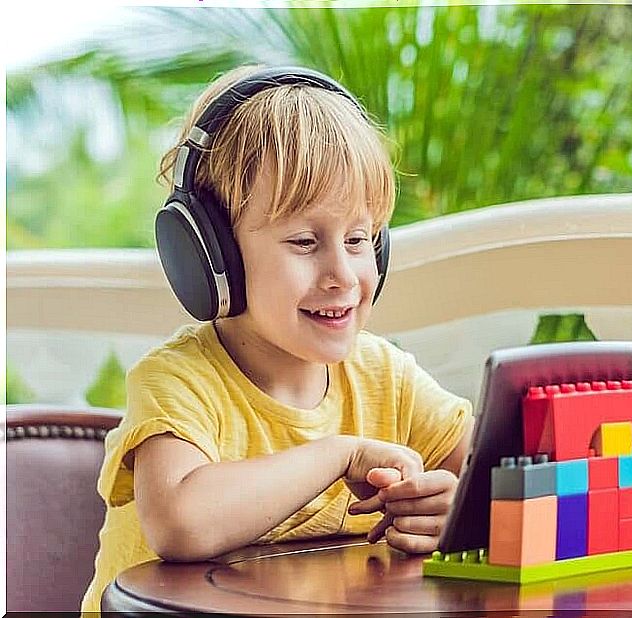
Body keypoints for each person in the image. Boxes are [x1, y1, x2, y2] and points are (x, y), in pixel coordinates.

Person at [80, 65, 473, 614]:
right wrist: (342, 453)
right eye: (305, 241)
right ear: (212, 256)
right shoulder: (177, 380)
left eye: (360, 239)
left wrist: (454, 508)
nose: (343, 274)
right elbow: (182, 524)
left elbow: (493, 477)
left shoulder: (388, 377)